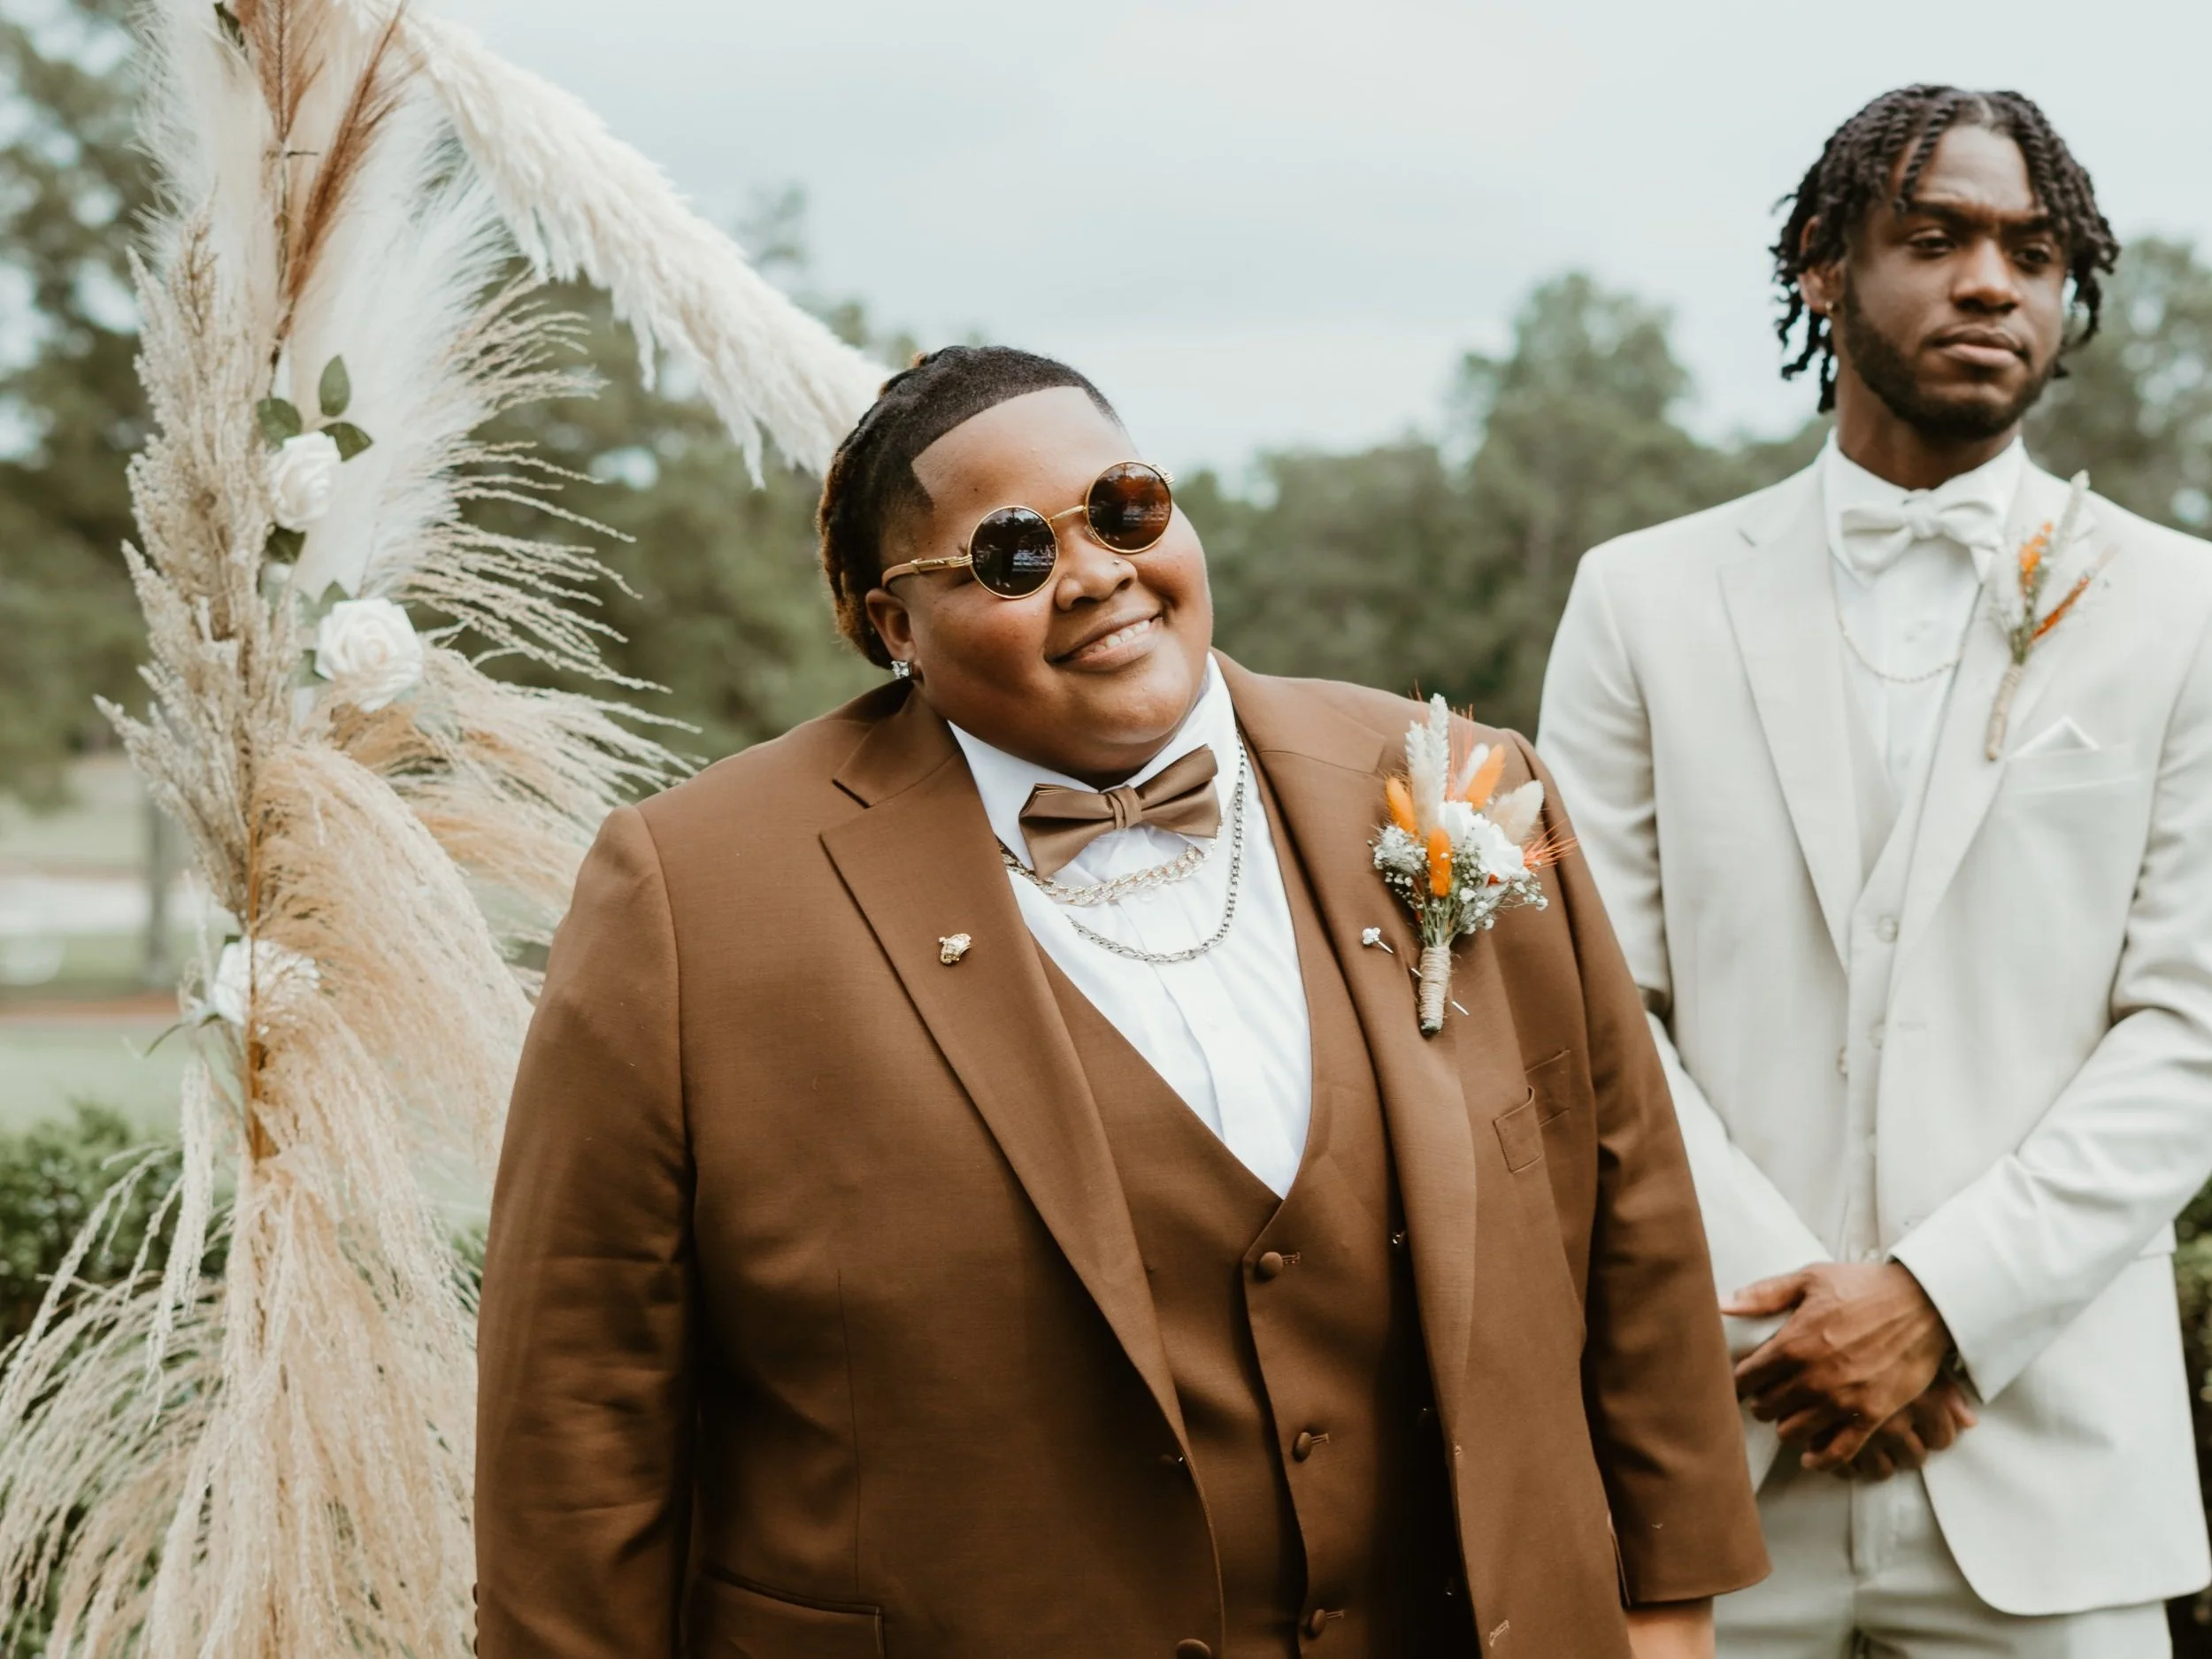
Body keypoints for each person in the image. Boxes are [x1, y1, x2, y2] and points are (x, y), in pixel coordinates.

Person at [473, 344, 1765, 1658]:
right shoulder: (694, 894)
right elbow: (576, 1417)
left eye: (1126, 509)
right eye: (1013, 555)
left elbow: (1628, 1210)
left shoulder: (1462, 781)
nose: (1095, 572)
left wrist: (1668, 1606)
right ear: (889, 624)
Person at [1539, 85, 2212, 1658]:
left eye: (2035, 252)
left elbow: (2193, 1027)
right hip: (1718, 1455)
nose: (1993, 281)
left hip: (2047, 1465)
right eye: (1938, 237)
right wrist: (1803, 1319)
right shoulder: (1641, 600)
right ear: (1820, 266)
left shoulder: (2185, 612)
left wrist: (1936, 1299)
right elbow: (1591, 1011)